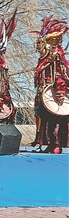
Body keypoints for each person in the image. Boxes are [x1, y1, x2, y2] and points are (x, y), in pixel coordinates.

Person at [31, 16, 69, 153]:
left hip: (55, 91)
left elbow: (63, 74)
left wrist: (60, 90)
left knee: (55, 120)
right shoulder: (44, 59)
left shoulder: (57, 56)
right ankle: (50, 144)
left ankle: (57, 144)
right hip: (45, 92)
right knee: (46, 119)